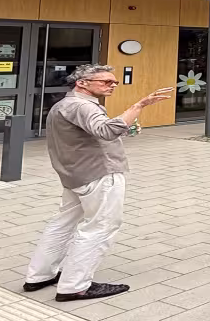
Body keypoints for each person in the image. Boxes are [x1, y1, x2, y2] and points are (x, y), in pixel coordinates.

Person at [23, 65, 171, 302]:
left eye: (114, 82)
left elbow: (91, 133)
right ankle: (75, 286)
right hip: (99, 173)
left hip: (75, 175)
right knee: (101, 226)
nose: (112, 86)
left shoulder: (64, 105)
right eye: (105, 82)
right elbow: (106, 131)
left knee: (62, 224)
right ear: (82, 83)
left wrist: (124, 127)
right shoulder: (82, 106)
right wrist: (139, 106)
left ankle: (39, 276)